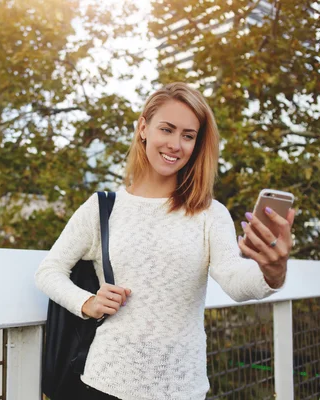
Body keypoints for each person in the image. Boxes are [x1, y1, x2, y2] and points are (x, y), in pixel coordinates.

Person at [34, 82, 295, 400]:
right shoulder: (103, 207)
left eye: (188, 135)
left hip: (183, 390)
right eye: (167, 129)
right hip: (104, 384)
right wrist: (86, 303)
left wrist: (273, 272)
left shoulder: (209, 213)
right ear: (143, 127)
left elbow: (236, 282)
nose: (176, 144)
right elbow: (48, 271)